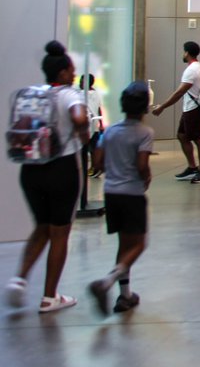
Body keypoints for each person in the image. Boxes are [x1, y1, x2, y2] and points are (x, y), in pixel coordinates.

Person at [6, 42, 90, 313]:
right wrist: (83, 131)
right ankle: (49, 296)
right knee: (60, 232)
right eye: (72, 70)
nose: (74, 75)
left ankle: (20, 278)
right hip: (61, 169)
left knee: (41, 226)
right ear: (63, 72)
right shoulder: (69, 95)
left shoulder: (34, 93)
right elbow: (78, 118)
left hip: (31, 168)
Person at [87, 81, 154, 315]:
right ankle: (107, 282)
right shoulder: (145, 133)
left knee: (123, 244)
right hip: (132, 194)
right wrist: (146, 177)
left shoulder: (111, 131)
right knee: (138, 244)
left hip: (111, 193)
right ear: (145, 108)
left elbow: (97, 163)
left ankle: (125, 295)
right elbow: (142, 164)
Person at [153, 40, 200, 183]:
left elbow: (179, 93)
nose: (183, 54)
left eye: (184, 51)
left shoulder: (192, 70)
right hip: (190, 108)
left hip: (194, 109)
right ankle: (192, 167)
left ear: (187, 53)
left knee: (198, 139)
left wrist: (162, 107)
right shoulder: (198, 66)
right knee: (182, 135)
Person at [77, 73, 104, 215]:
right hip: (93, 124)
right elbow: (99, 108)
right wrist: (101, 122)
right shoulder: (95, 93)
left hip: (88, 125)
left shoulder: (81, 93)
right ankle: (94, 167)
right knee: (93, 148)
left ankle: (94, 167)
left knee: (89, 148)